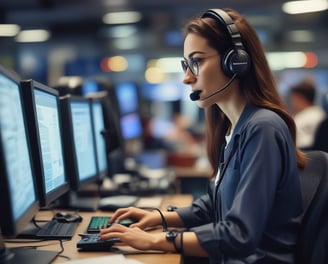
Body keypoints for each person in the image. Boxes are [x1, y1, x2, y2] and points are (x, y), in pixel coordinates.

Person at [99, 8, 307, 263]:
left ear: (235, 61)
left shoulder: (263, 128)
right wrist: (160, 217)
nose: (187, 78)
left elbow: (239, 235)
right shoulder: (234, 127)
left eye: (196, 61)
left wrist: (156, 240)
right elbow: (216, 204)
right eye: (186, 65)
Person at [289, 78, 326, 150]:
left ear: (299, 98)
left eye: (293, 98)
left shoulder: (307, 117)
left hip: (307, 154)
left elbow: (305, 143)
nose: (292, 102)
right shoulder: (319, 113)